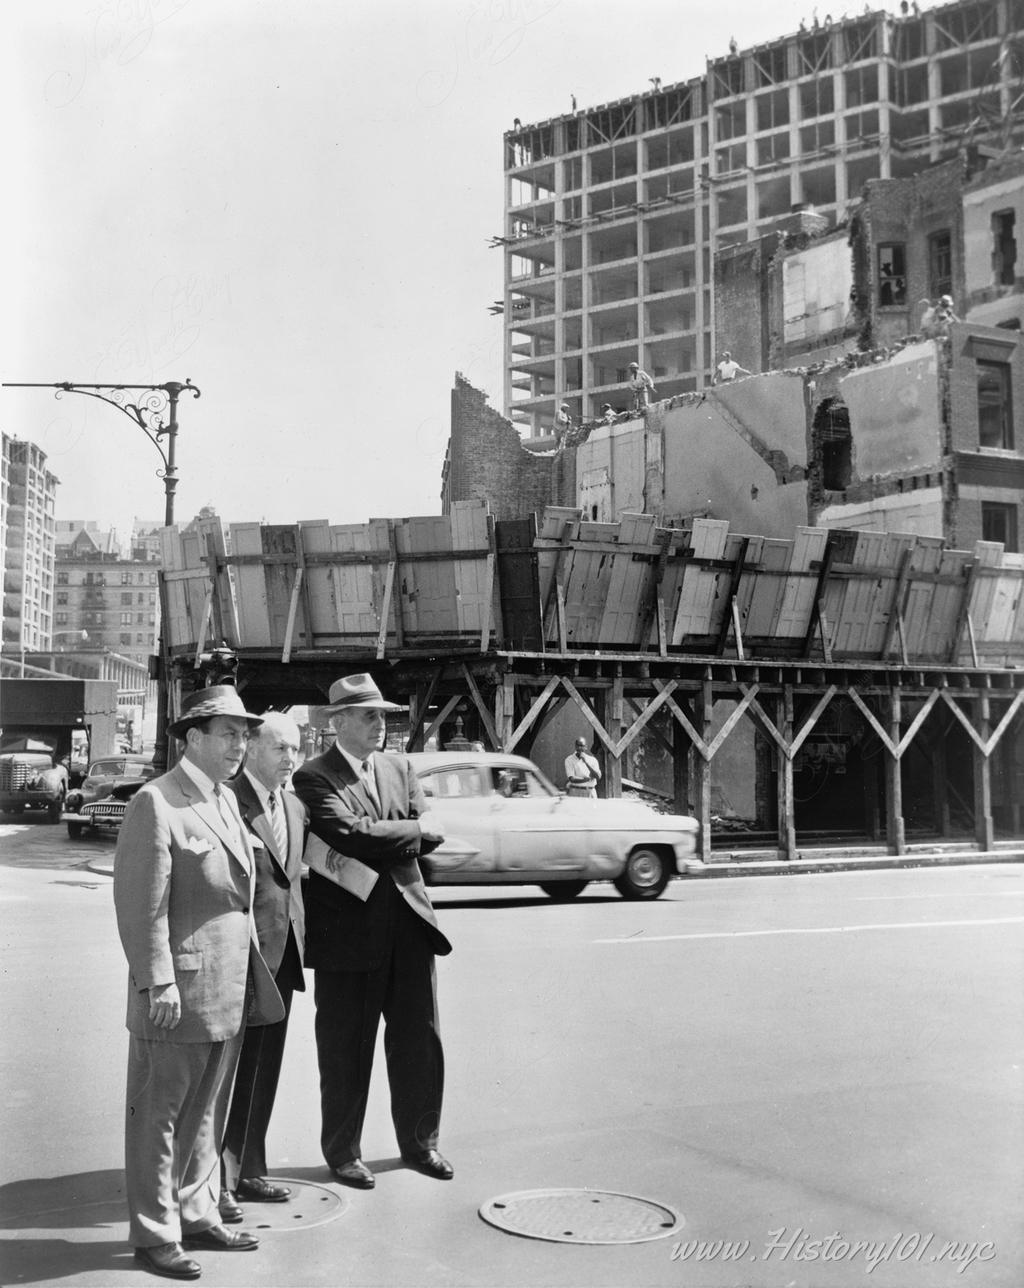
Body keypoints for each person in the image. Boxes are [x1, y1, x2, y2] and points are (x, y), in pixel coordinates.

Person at [113, 685, 283, 1281]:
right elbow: (142, 905)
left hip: (227, 987)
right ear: (193, 738)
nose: (241, 744)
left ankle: (196, 1210)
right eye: (229, 734)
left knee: (208, 1110)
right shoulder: (156, 802)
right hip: (178, 991)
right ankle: (156, 1234)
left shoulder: (224, 800)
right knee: (160, 1115)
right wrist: (157, 981)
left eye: (244, 734)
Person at [292, 673, 453, 1191]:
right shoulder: (313, 777)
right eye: (368, 715)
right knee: (344, 1048)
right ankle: (343, 1152)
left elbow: (414, 830)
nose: (380, 724)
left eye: (383, 714)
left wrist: (399, 834)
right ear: (337, 722)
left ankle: (421, 1143)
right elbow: (349, 834)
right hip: (348, 937)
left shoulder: (399, 766)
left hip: (408, 925)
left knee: (418, 1040)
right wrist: (409, 834)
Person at [218, 712, 308, 1225]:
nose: (290, 759)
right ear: (251, 748)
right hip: (244, 957)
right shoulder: (229, 799)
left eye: (295, 749)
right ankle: (221, 1181)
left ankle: (250, 1168)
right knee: (232, 1071)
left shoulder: (293, 804)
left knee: (264, 1067)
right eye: (280, 749)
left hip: (285, 954)